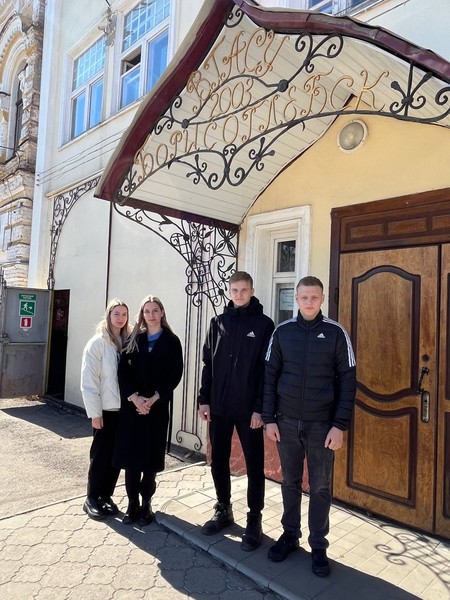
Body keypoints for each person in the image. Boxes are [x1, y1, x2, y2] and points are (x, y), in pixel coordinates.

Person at [262, 276, 356, 576]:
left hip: (322, 426)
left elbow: (348, 381)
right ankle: (290, 535)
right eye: (304, 297)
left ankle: (318, 546)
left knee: (321, 487)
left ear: (322, 298)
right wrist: (269, 419)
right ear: (296, 298)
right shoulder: (282, 332)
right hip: (286, 422)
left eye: (314, 297)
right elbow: (269, 377)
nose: (309, 302)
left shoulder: (336, 333)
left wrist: (339, 425)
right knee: (289, 482)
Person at [198, 271, 275, 551]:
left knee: (254, 465)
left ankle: (254, 519)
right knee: (218, 460)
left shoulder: (264, 325)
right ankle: (223, 509)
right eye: (235, 290)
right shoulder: (218, 322)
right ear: (229, 292)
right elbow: (208, 363)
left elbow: (267, 371)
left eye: (244, 290)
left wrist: (260, 409)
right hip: (219, 406)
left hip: (249, 411)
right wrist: (204, 399)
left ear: (252, 291)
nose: (239, 294)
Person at [114, 295, 183, 526]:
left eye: (155, 310)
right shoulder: (134, 339)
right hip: (133, 409)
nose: (151, 315)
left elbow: (175, 374)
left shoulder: (172, 341)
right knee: (132, 460)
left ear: (162, 312)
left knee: (150, 461)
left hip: (157, 408)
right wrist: (135, 398)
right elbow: (123, 372)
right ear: (142, 314)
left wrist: (153, 399)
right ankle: (131, 504)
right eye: (147, 311)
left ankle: (146, 505)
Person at [80, 299, 130, 520]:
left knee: (116, 456)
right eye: (116, 314)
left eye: (124, 314)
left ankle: (106, 496)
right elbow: (89, 381)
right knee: (100, 455)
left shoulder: (126, 341)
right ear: (109, 315)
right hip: (105, 410)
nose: (120, 318)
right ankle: (91, 498)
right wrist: (95, 413)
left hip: (123, 410)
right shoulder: (98, 343)